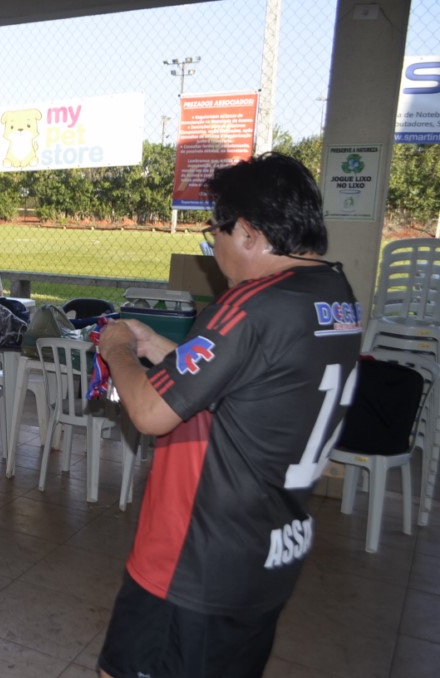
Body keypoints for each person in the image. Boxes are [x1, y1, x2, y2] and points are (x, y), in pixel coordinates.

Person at [96, 153, 362, 678]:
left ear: (247, 232)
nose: (212, 250)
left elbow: (149, 413)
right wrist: (160, 348)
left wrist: (118, 349)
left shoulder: (249, 305)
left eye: (213, 233)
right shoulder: (334, 295)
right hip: (267, 552)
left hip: (195, 561)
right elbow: (249, 386)